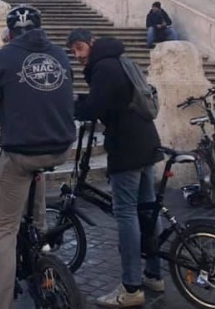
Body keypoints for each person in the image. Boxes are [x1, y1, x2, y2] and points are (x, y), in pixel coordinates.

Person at [0, 5, 76, 309]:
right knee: (37, 171)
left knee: (4, 227)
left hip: (22, 150)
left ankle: (1, 303)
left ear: (10, 32)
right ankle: (41, 236)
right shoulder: (59, 54)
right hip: (60, 145)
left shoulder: (3, 56)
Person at [66, 28, 164, 308]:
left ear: (92, 44)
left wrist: (71, 106)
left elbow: (95, 107)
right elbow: (112, 100)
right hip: (146, 139)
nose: (77, 55)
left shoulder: (103, 67)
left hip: (126, 146)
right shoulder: (119, 59)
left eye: (80, 48)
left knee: (126, 213)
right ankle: (154, 273)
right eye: (73, 51)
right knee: (146, 208)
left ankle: (131, 287)